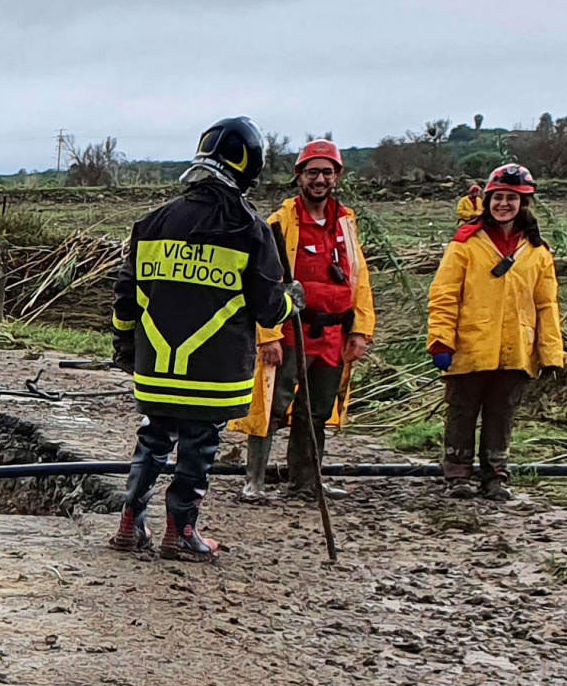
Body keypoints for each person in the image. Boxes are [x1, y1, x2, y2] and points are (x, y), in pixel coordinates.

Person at [108, 116, 289, 561]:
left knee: (153, 438)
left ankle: (129, 524)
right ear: (250, 166)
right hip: (214, 370)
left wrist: (125, 351)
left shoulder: (152, 224)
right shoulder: (250, 230)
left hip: (155, 368)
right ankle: (181, 531)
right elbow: (269, 306)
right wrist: (293, 302)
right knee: (199, 447)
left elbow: (125, 301)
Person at [230, 139, 374, 503]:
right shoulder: (279, 225)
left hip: (333, 336)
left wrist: (360, 331)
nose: (320, 179)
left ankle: (307, 482)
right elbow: (264, 284)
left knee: (318, 411)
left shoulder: (346, 224)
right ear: (299, 176)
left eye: (327, 172)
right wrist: (268, 336)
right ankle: (255, 481)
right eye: (312, 172)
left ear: (337, 176)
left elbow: (360, 279)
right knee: (272, 407)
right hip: (291, 333)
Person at [427, 163, 564, 500]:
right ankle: (458, 474)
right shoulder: (464, 245)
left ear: (524, 204)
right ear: (487, 201)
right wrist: (441, 340)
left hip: (516, 349)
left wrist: (551, 352)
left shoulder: (537, 252)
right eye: (498, 197)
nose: (504, 204)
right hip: (469, 346)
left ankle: (496, 476)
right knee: (461, 412)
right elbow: (444, 296)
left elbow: (547, 305)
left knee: (501, 415)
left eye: (512, 198)